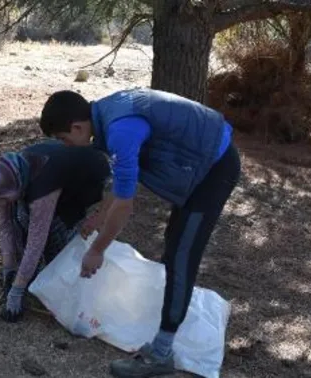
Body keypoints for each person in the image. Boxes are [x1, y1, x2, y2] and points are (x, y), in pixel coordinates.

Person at [38, 88, 241, 377]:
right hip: (202, 160)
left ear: (77, 127)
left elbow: (125, 204)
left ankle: (161, 356)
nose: (66, 145)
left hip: (214, 167)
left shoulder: (120, 129)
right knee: (174, 248)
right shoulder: (106, 115)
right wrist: (98, 216)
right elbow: (122, 182)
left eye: (63, 138)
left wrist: (97, 251)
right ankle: (165, 336)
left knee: (182, 255)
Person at [0, 139, 111, 322]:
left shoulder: (42, 190)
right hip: (55, 178)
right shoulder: (8, 175)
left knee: (55, 243)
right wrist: (8, 267)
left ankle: (64, 262)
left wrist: (16, 291)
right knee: (22, 218)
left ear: (18, 186)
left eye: (5, 198)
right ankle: (26, 272)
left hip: (84, 182)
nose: (1, 203)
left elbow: (37, 240)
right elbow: (6, 224)